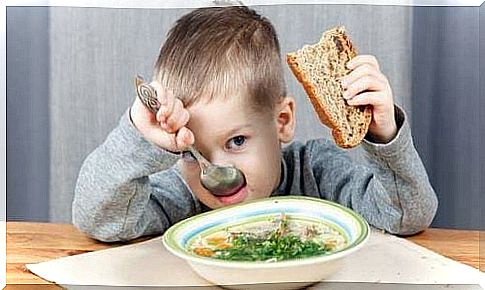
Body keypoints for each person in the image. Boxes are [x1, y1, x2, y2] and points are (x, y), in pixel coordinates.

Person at [72, 6, 438, 242]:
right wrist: (138, 136)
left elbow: (407, 215)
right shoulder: (182, 192)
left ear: (282, 121)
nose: (214, 168)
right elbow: (99, 221)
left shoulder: (317, 172)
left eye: (236, 142)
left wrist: (383, 135)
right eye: (191, 151)